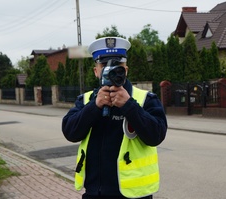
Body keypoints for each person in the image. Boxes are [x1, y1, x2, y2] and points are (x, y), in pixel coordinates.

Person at [62, 37, 167, 199]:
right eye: (104, 65)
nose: (110, 70)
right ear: (96, 71)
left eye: (117, 65)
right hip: (95, 193)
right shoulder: (86, 100)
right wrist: (94, 107)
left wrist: (129, 106)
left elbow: (156, 136)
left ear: (125, 70)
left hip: (134, 195)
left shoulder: (145, 99)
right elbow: (70, 133)